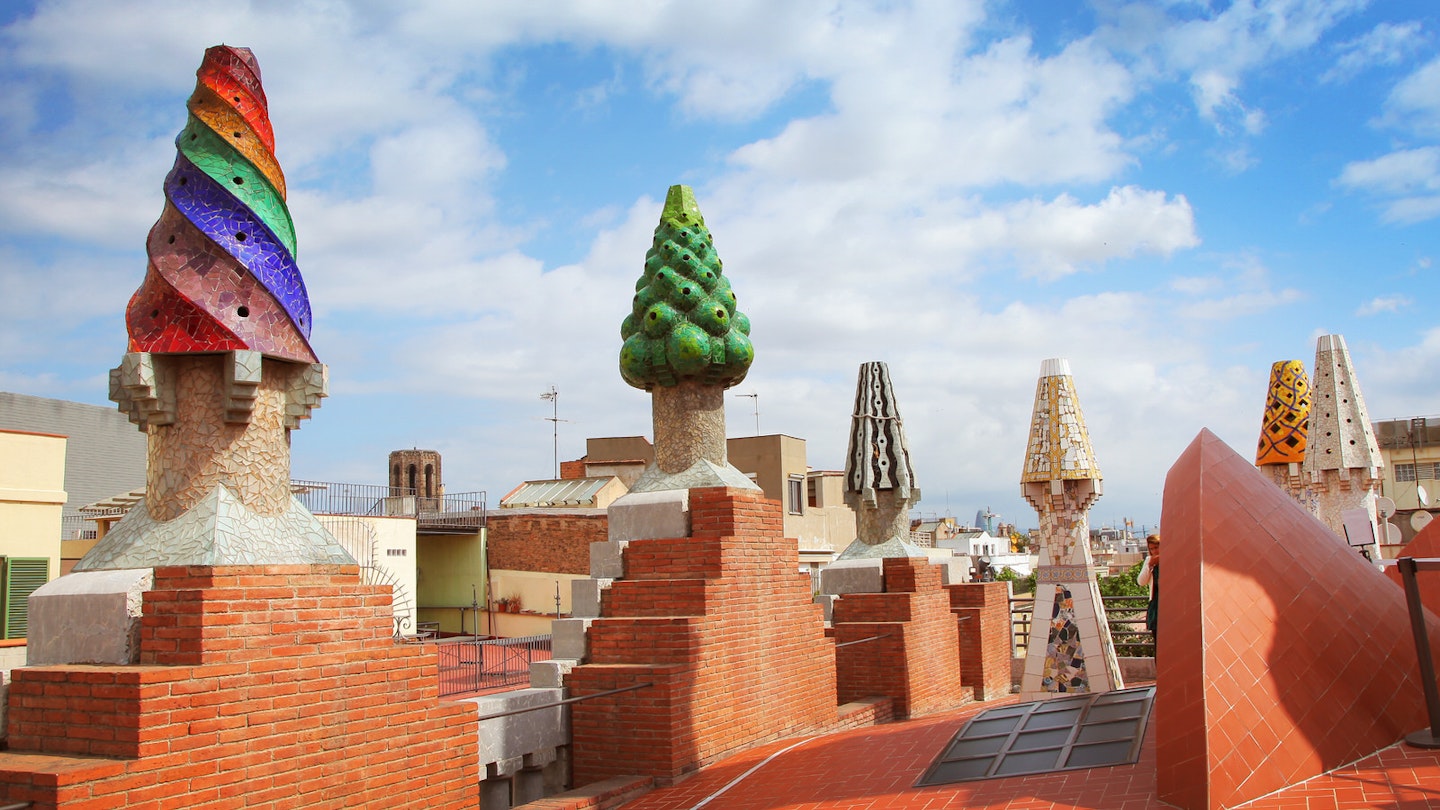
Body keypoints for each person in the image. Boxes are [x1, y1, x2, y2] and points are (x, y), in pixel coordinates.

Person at [1137, 534, 1160, 644]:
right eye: (1151, 549)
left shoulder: (1170, 558)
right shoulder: (1149, 560)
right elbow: (1141, 581)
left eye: (1156, 547)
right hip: (1156, 604)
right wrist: (1150, 566)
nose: (1155, 551)